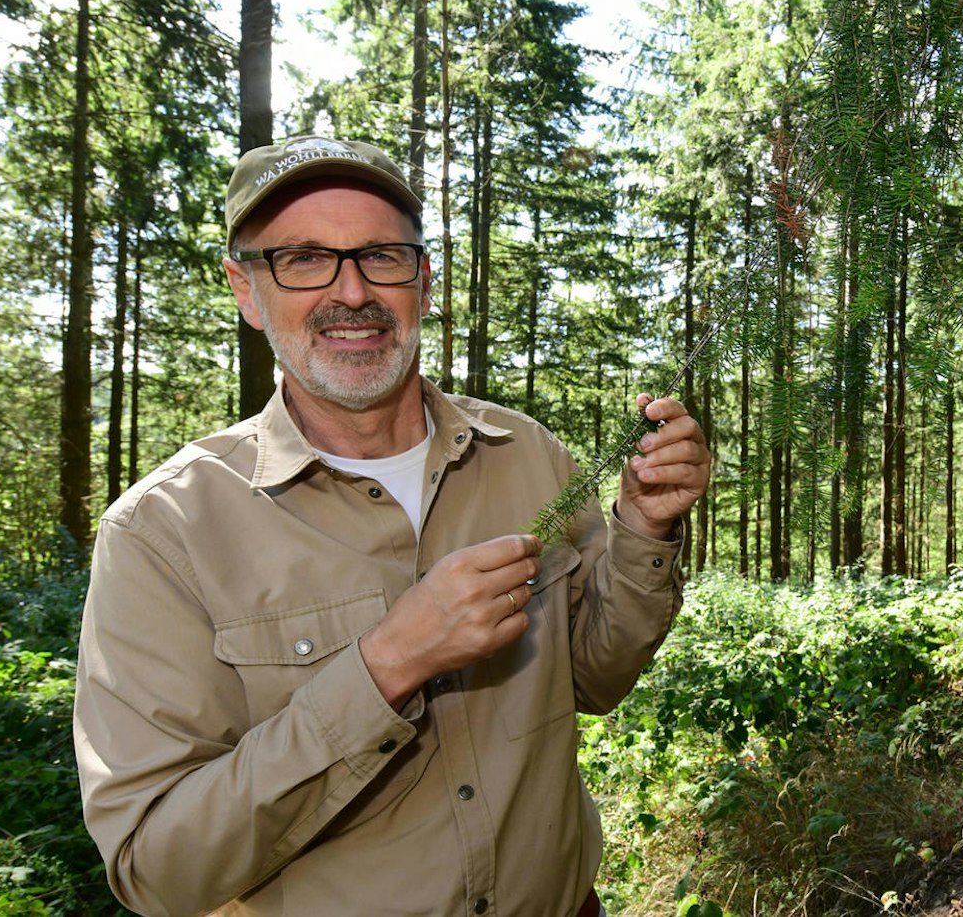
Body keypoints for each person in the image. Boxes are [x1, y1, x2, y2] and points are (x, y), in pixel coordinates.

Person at [73, 135, 709, 917]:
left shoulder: (528, 456)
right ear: (245, 289)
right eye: (303, 259)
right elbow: (157, 870)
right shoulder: (163, 532)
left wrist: (643, 528)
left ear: (423, 280)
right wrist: (385, 665)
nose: (351, 292)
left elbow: (595, 678)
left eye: (381, 256)